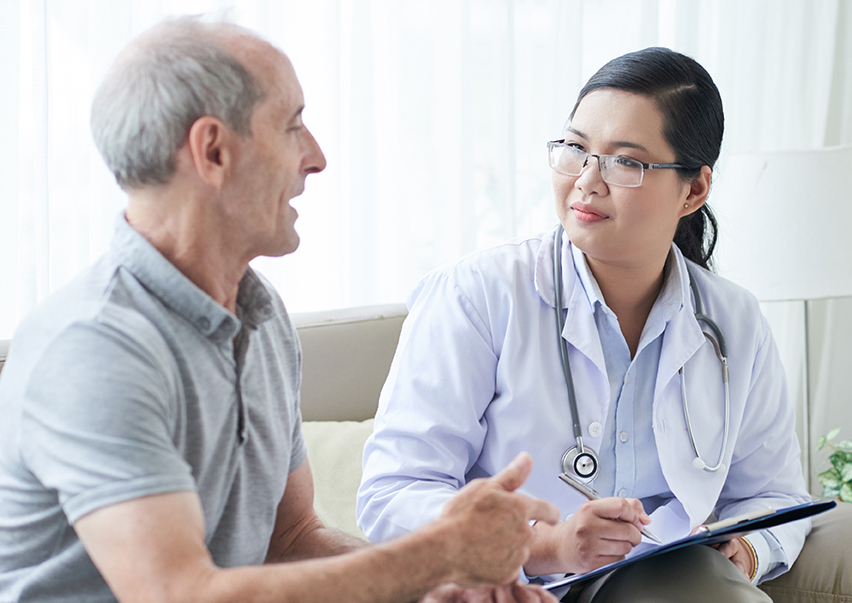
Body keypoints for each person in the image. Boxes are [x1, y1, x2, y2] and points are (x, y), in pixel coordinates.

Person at [0, 17, 562, 603]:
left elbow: (291, 538)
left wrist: (438, 588)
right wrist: (437, 554)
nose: (315, 158)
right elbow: (178, 594)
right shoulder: (94, 347)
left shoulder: (260, 315)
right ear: (212, 150)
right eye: (292, 125)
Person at [357, 47, 812, 602]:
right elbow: (393, 494)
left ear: (693, 191)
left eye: (626, 162)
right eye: (575, 149)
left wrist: (746, 550)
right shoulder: (479, 294)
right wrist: (548, 544)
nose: (587, 181)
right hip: (504, 587)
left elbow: (774, 494)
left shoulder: (732, 321)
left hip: (664, 582)